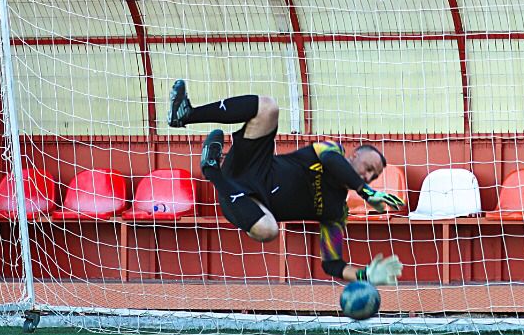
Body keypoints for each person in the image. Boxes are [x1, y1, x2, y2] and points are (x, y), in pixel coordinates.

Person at [167, 80, 407, 285]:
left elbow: (333, 264)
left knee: (268, 230)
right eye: (368, 169)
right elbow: (333, 161)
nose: (368, 177)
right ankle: (187, 114)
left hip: (246, 203)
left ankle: (212, 171)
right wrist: (365, 191)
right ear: (353, 156)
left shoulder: (337, 211)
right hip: (252, 164)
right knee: (268, 107)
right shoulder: (332, 149)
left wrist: (365, 275)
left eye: (373, 177)